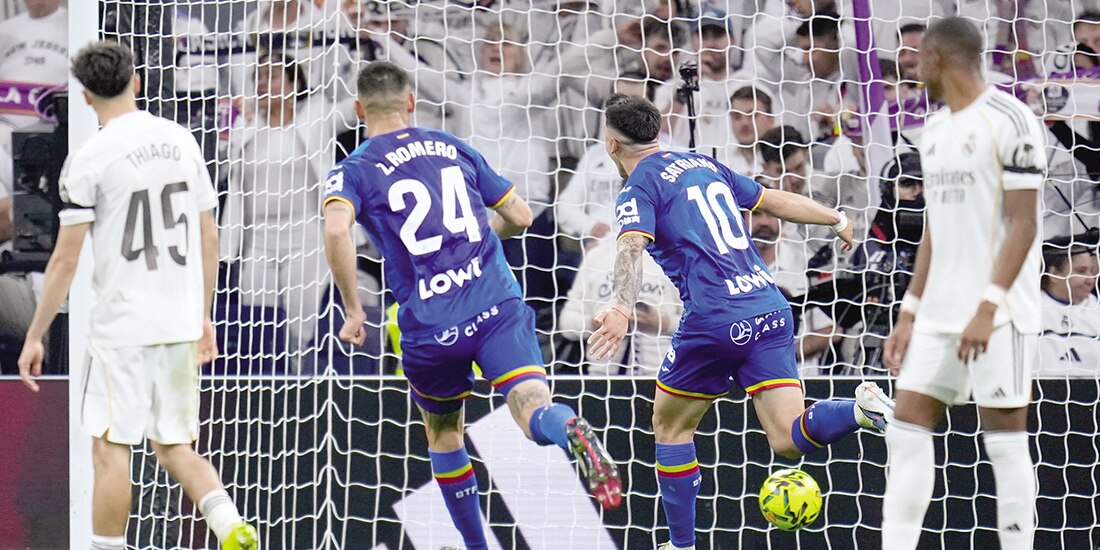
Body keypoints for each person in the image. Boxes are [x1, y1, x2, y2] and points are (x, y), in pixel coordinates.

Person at [321, 61, 622, 550]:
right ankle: (567, 425)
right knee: (531, 409)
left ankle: (476, 546)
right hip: (494, 306)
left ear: (359, 110)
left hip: (430, 325)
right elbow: (522, 215)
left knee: (444, 436)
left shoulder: (354, 168)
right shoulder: (450, 145)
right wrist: (477, 242)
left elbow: (336, 229)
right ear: (411, 102)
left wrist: (355, 310)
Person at [586, 94, 894, 550]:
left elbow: (630, 246)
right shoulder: (702, 163)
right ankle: (858, 409)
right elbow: (771, 200)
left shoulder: (638, 188)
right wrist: (835, 217)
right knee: (789, 441)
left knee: (671, 427)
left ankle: (682, 544)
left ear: (612, 145)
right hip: (769, 309)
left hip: (713, 319)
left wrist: (622, 309)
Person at [15, 41, 257, 550]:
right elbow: (208, 236)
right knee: (174, 446)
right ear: (137, 83)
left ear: (84, 97)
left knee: (110, 449)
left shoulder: (88, 159)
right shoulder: (182, 140)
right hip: (177, 318)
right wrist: (204, 315)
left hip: (121, 326)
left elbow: (64, 259)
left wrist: (35, 335)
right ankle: (229, 523)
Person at [882, 17, 1048, 550]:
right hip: (938, 314)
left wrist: (988, 306)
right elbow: (936, 226)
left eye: (917, 60)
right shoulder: (933, 130)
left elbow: (1024, 222)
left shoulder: (1012, 119)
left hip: (1000, 314)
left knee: (1004, 441)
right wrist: (909, 311)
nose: (912, 70)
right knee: (905, 429)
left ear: (937, 59)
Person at [1037, 238, 1099, 377]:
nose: (1090, 280)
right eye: (1081, 271)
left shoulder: (1096, 311)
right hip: (1042, 393)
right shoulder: (1031, 309)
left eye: (1091, 271)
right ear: (1053, 274)